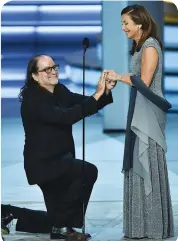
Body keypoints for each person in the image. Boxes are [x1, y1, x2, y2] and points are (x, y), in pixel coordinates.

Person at [18, 54, 116, 240]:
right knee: (87, 171)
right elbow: (65, 117)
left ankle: (10, 214)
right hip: (44, 164)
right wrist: (96, 96)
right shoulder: (33, 99)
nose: (53, 71)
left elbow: (83, 102)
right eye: (47, 69)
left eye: (54, 67)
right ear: (35, 76)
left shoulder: (58, 90)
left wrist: (104, 92)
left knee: (54, 218)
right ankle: (63, 228)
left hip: (60, 160)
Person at [105, 4, 174, 239]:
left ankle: (153, 226)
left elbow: (144, 82)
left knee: (147, 163)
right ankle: (140, 225)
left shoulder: (150, 47)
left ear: (140, 24)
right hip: (139, 108)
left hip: (149, 112)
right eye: (122, 23)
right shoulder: (138, 47)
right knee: (137, 163)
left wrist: (118, 77)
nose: (123, 27)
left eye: (126, 23)